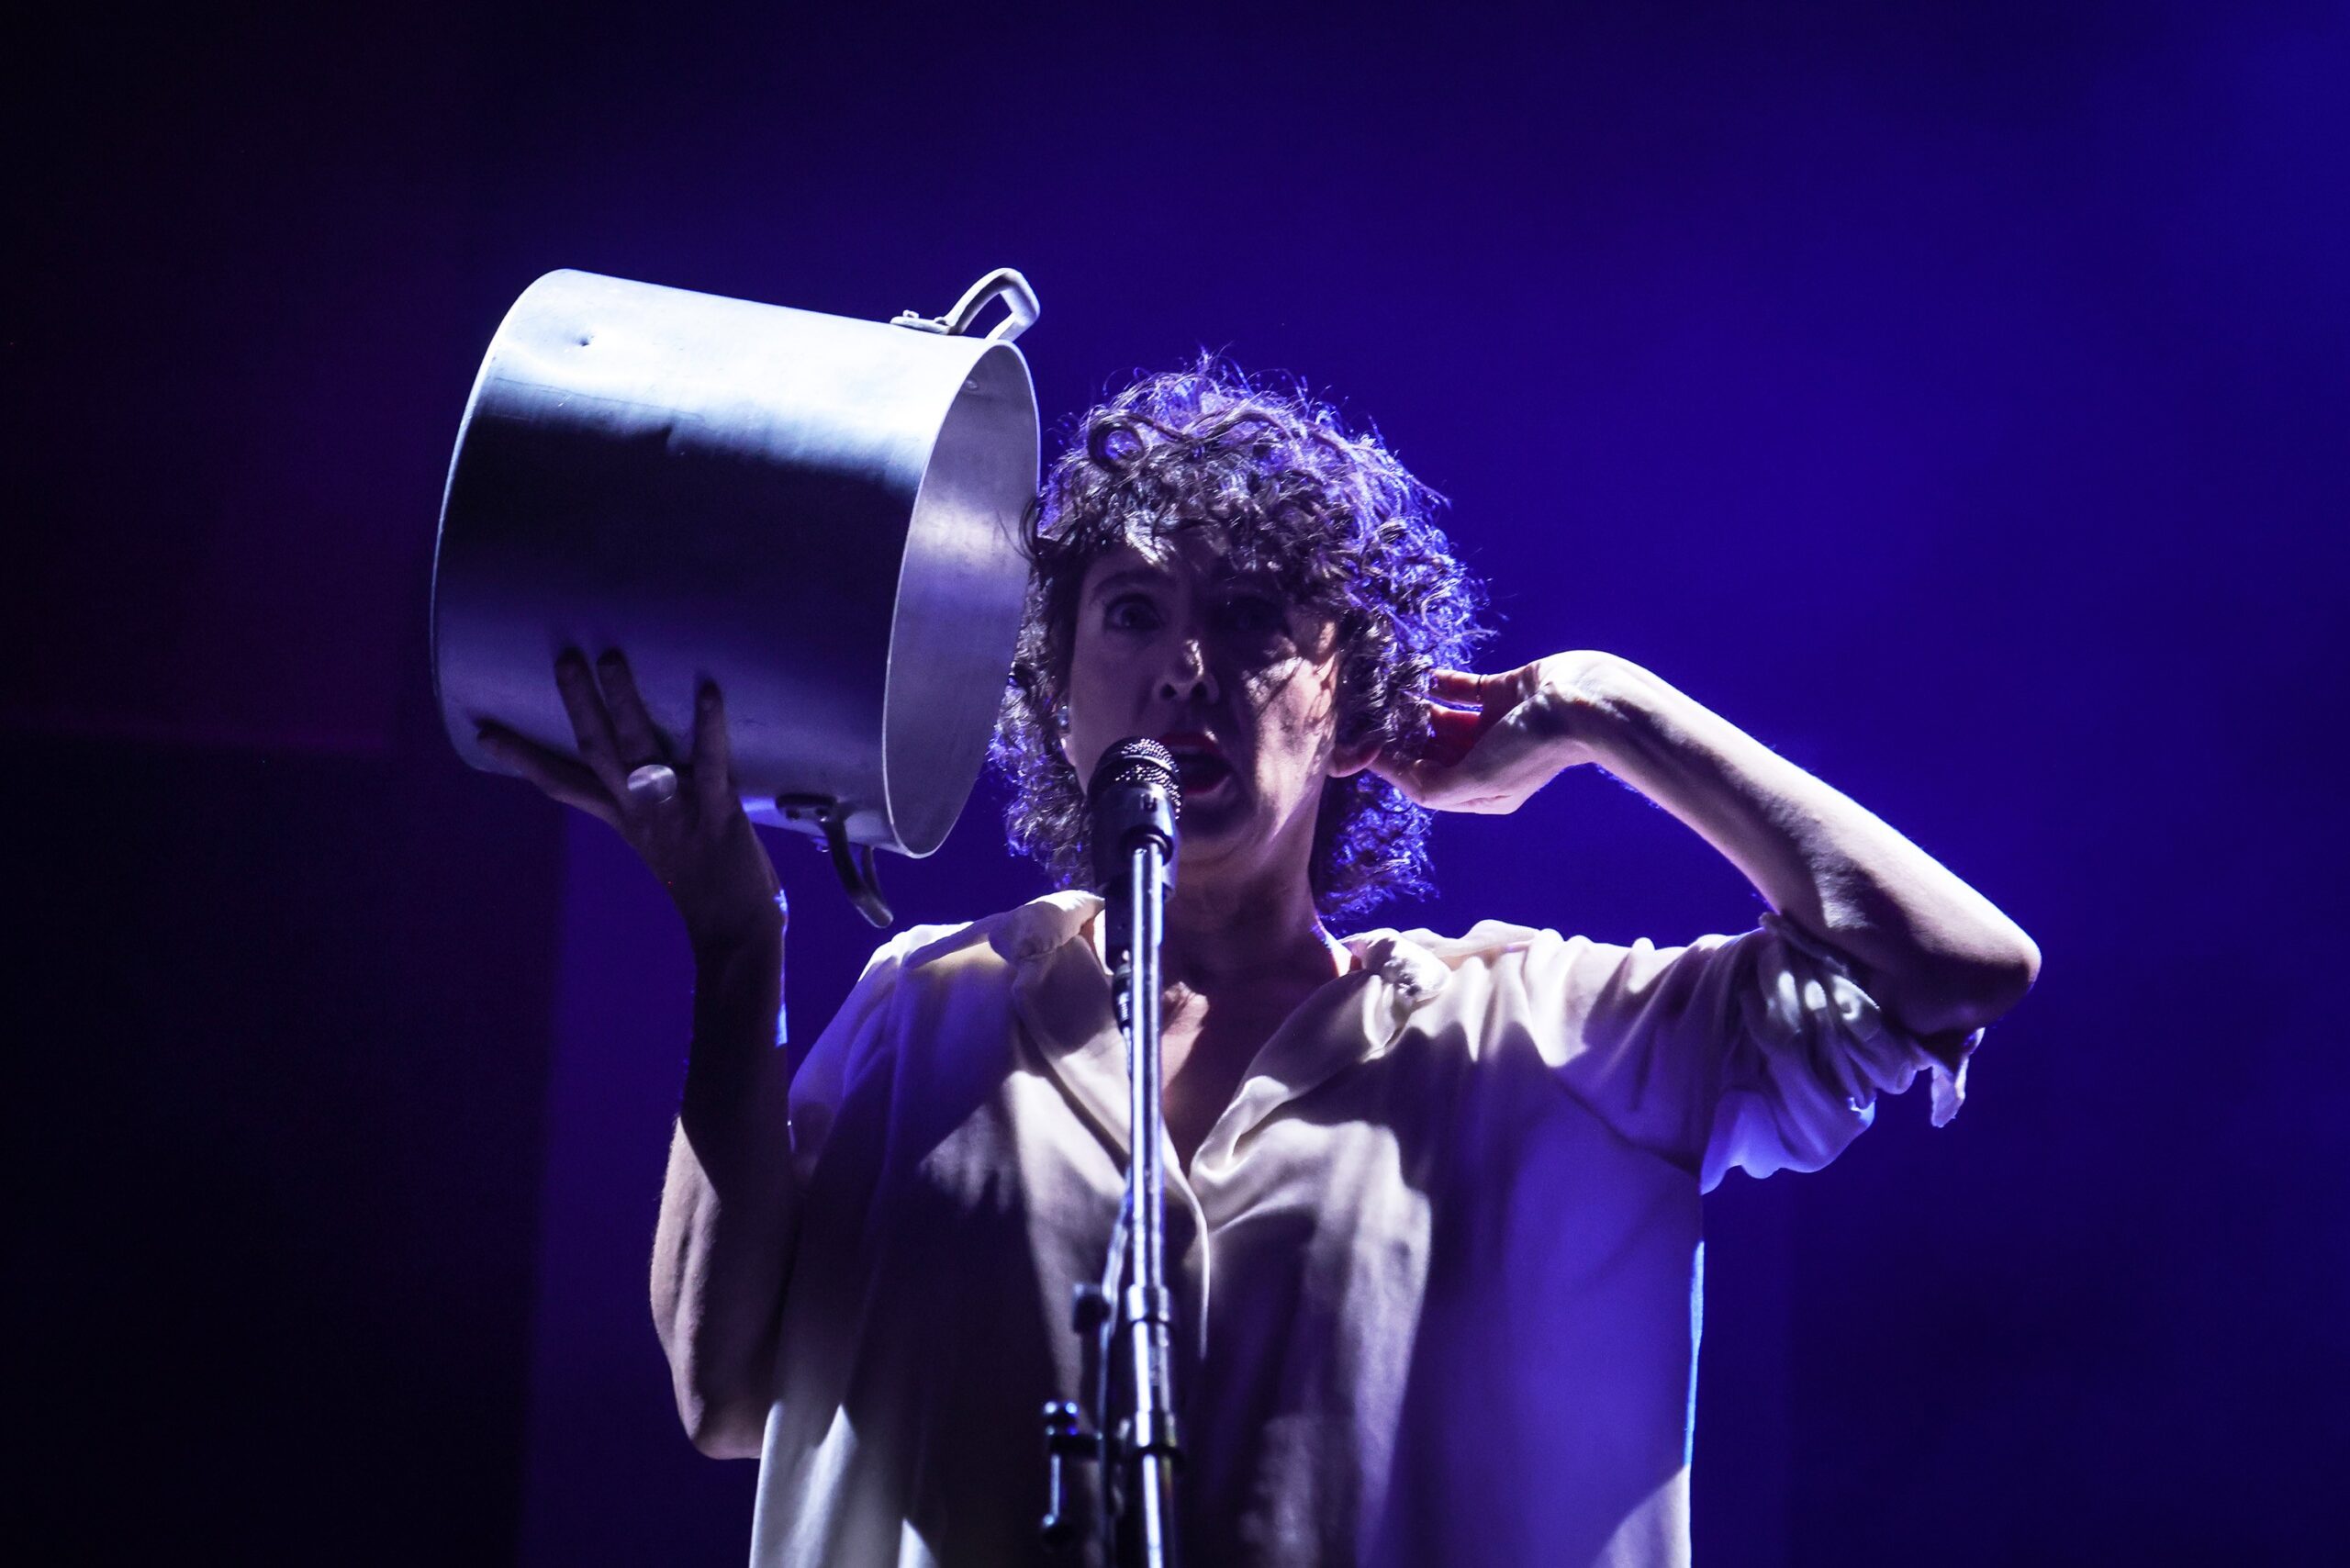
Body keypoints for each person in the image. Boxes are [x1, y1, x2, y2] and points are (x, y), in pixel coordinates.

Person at [478, 364, 2040, 1566]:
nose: (1186, 668)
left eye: (1249, 620)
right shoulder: (928, 1009)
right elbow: (723, 1385)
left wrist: (1601, 710)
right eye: (1132, 613)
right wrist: (735, 942)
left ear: (1351, 697)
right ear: (1057, 692)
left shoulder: (1532, 1035)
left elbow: (1952, 966)